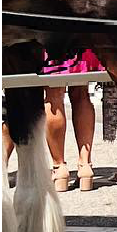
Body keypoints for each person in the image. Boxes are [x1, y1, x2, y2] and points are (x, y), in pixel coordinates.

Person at [41, 49, 100, 191]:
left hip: (53, 38)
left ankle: (59, 168)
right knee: (82, 94)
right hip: (78, 35)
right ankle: (85, 165)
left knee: (54, 95)